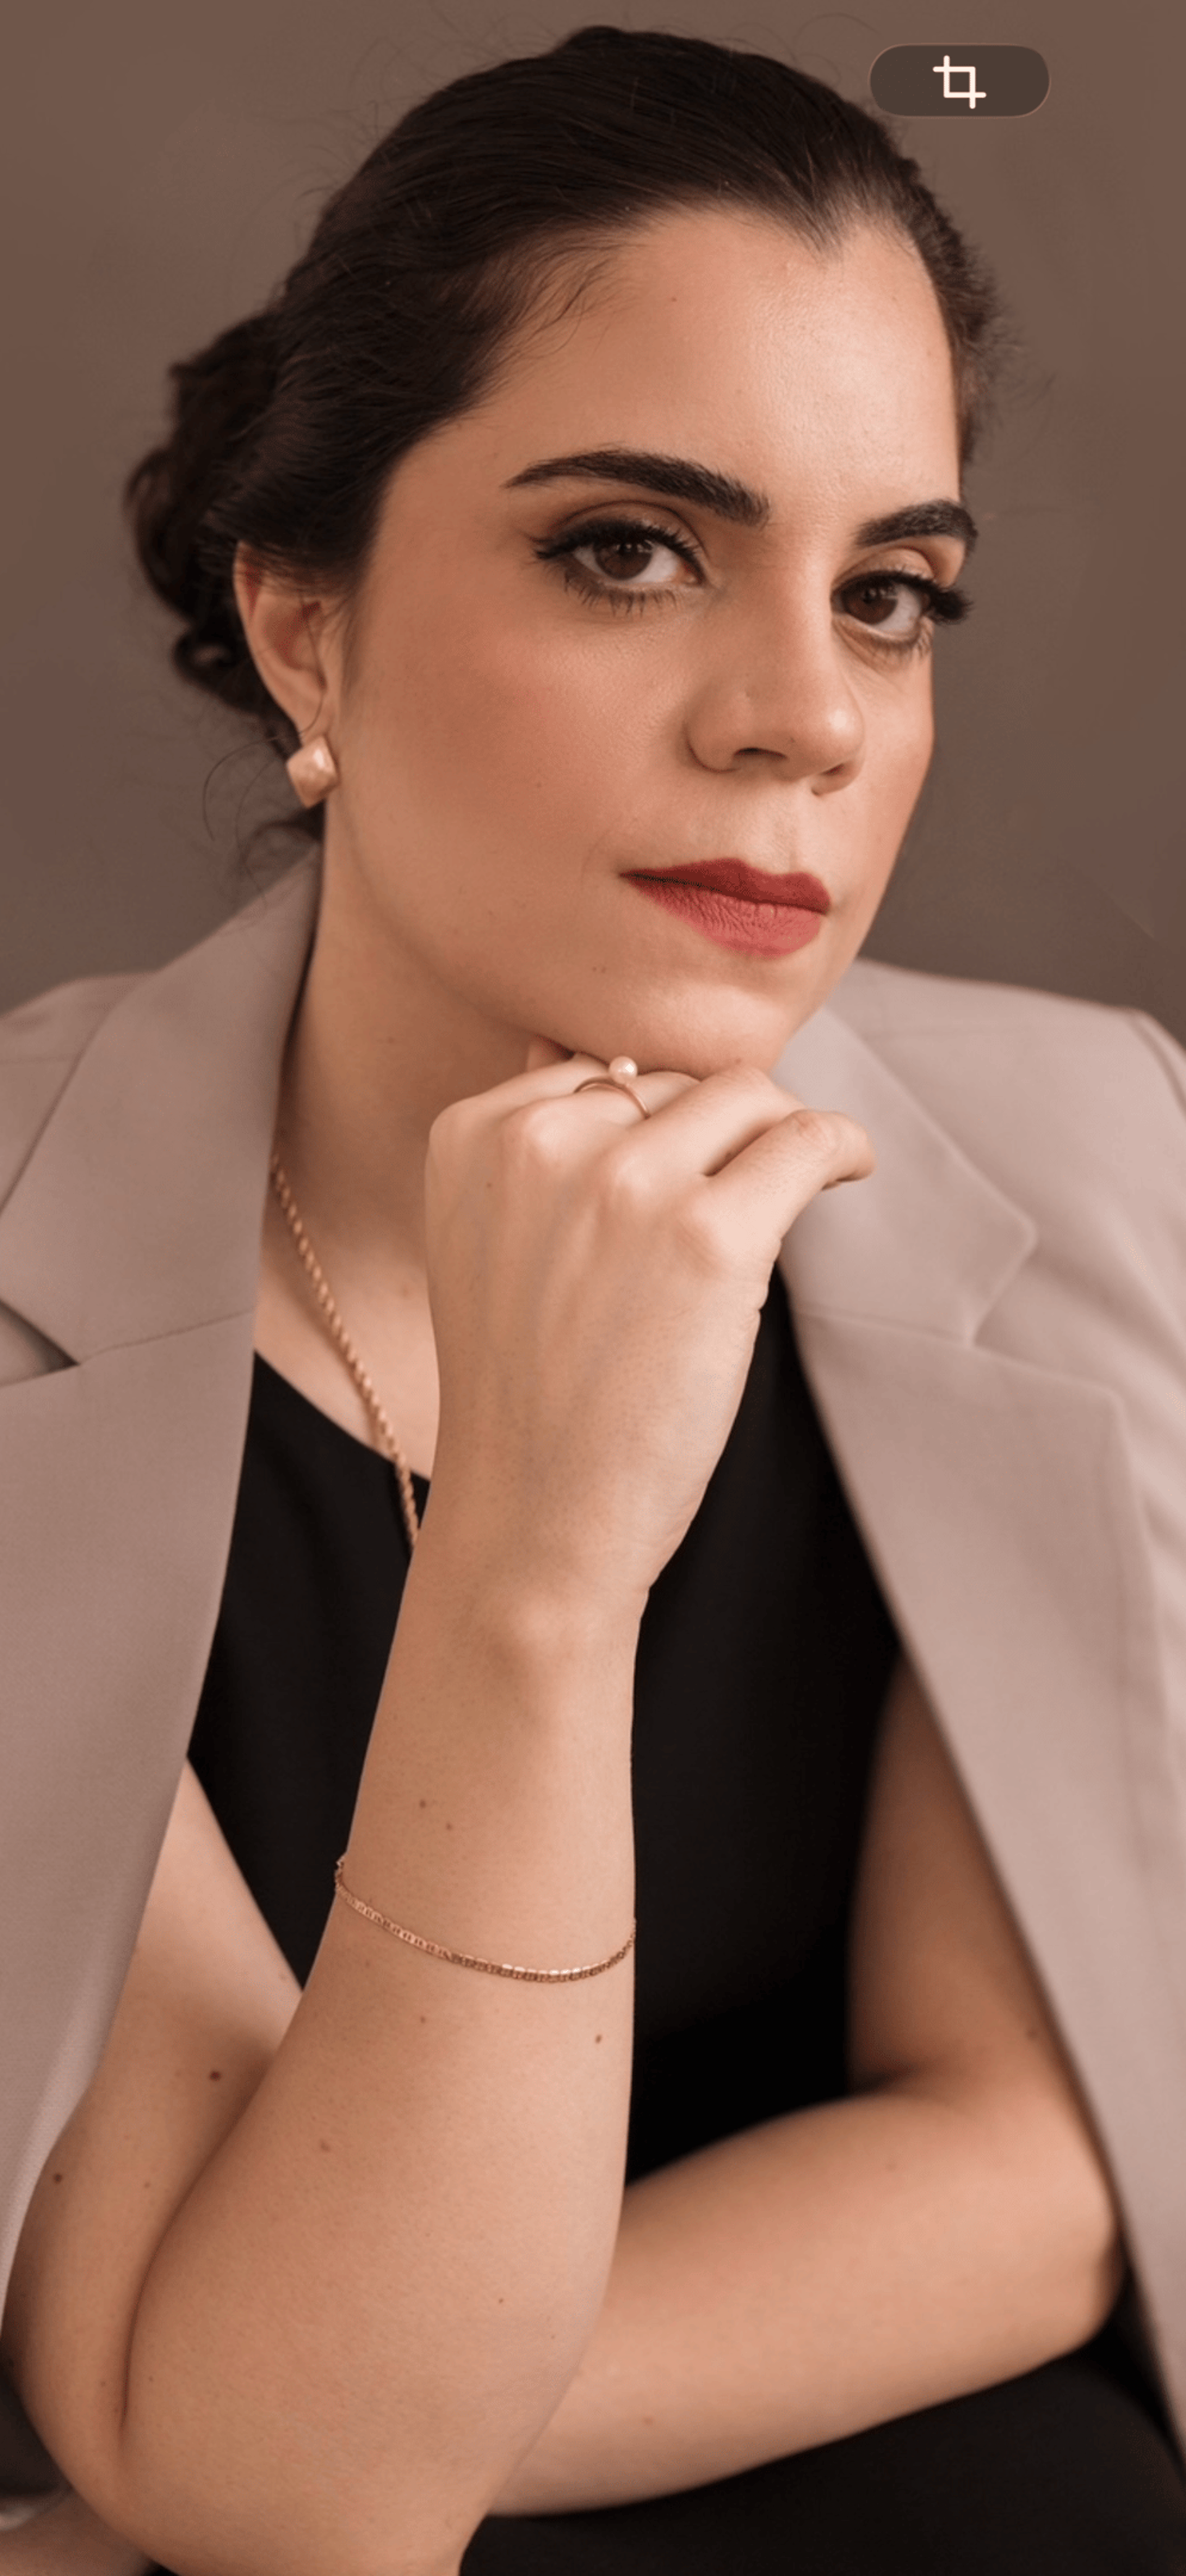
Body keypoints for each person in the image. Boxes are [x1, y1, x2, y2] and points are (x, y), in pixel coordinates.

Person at [1, 23, 1185, 2574]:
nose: (808, 717)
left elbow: (1055, 2155)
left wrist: (228, 2450)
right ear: (302, 629)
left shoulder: (1103, 1156)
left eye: (893, 592)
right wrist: (531, 1565)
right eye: (630, 547)